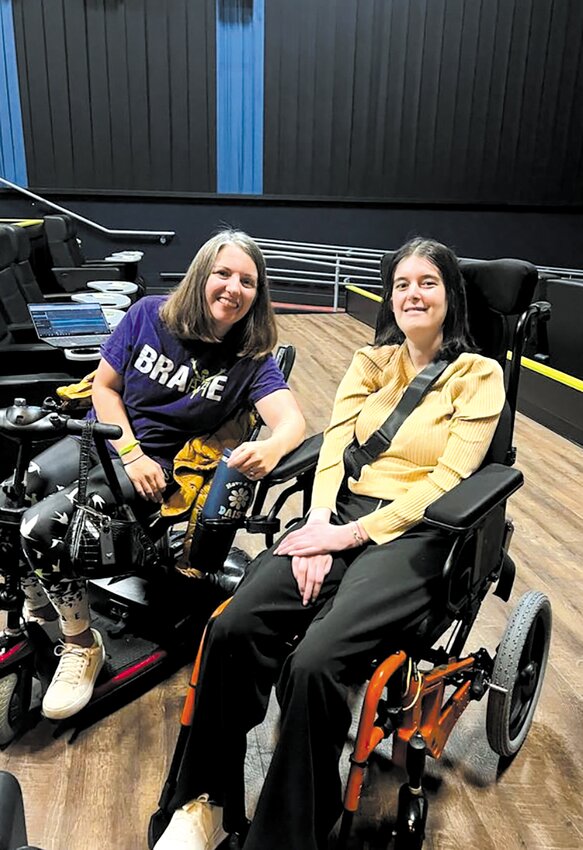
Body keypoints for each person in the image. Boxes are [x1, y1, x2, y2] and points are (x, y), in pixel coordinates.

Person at [153, 237, 506, 850]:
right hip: (337, 516)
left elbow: (451, 480)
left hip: (418, 534)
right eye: (401, 283)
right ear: (389, 296)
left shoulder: (479, 374)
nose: (412, 294)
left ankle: (286, 838)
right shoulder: (370, 364)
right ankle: (205, 800)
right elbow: (335, 450)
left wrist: (352, 533)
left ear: (451, 295)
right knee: (232, 628)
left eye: (428, 282)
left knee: (315, 664)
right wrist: (316, 528)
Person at [14, 229, 305, 722]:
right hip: (112, 440)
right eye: (223, 273)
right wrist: (129, 451)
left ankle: (83, 644)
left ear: (258, 295)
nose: (234, 288)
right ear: (201, 275)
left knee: (42, 526)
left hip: (165, 470)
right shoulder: (149, 314)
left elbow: (292, 422)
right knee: (20, 489)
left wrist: (272, 445)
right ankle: (44, 602)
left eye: (248, 281)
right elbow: (105, 388)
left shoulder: (250, 360)